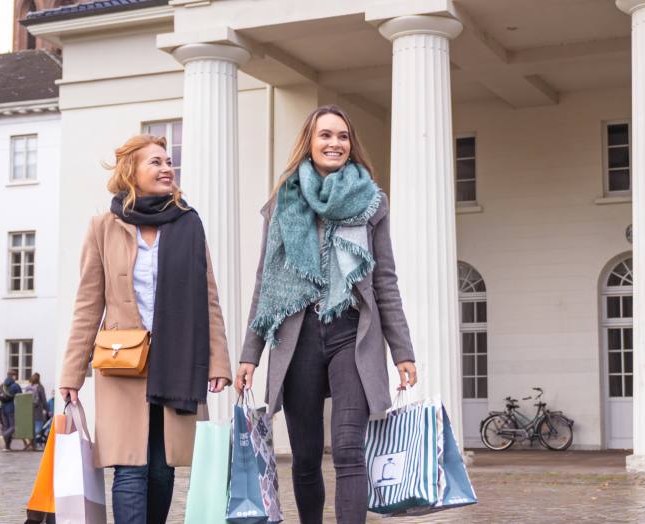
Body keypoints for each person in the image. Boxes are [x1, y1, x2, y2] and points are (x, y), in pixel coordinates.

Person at [236, 105, 418, 524]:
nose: (334, 143)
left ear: (351, 146)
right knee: (304, 456)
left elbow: (385, 281)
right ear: (310, 142)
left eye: (342, 136)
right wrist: (251, 354)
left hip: (351, 334)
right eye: (325, 136)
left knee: (349, 448)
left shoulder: (371, 203)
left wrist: (402, 352)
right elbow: (266, 283)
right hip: (297, 337)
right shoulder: (283, 202)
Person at [59, 134, 232, 524]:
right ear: (131, 172)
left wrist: (218, 361)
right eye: (155, 162)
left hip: (178, 360)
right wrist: (72, 372)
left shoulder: (188, 225)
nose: (166, 168)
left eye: (168, 161)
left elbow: (208, 299)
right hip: (122, 362)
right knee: (129, 466)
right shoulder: (104, 227)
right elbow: (88, 303)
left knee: (161, 466)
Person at [0, 371, 24, 451]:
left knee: (6, 427)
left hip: (3, 409)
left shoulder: (1, 386)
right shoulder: (15, 386)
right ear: (13, 376)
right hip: (11, 408)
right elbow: (21, 397)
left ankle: (7, 447)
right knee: (13, 427)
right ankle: (4, 436)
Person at [28, 372, 50, 449]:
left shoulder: (28, 387)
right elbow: (43, 400)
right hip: (38, 410)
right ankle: (36, 445)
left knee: (31, 428)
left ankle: (32, 444)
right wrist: (48, 410)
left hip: (29, 411)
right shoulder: (40, 387)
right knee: (38, 428)